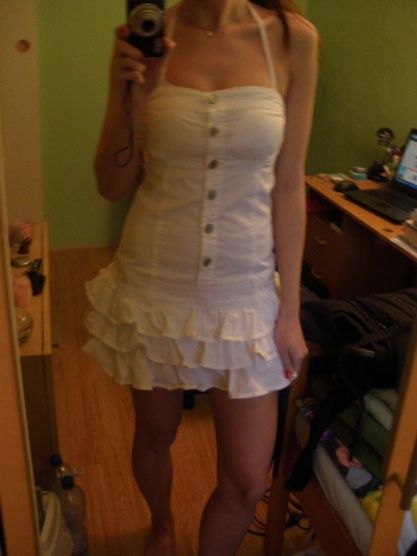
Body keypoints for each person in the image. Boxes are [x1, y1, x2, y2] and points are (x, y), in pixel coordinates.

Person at [84, 1, 318, 554]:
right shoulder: (152, 34)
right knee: (156, 433)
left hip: (247, 289)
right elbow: (110, 186)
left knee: (247, 479)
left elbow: (289, 185)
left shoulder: (294, 39)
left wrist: (289, 313)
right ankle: (162, 526)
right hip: (153, 286)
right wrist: (131, 98)